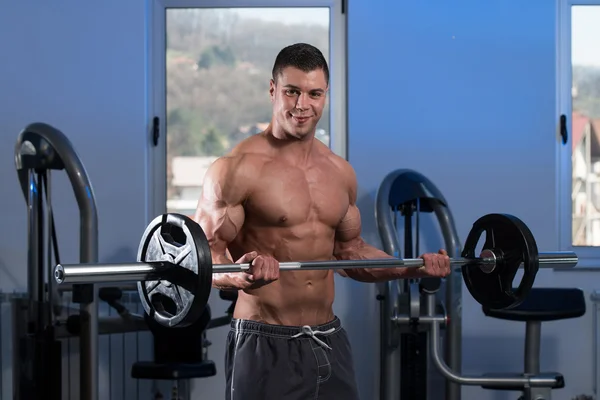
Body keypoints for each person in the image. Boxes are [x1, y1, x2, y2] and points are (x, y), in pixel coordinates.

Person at [194, 43, 451, 400]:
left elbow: (350, 254)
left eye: (314, 94)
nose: (302, 105)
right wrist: (242, 275)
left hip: (328, 339)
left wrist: (412, 269)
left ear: (325, 95)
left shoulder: (339, 173)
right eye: (292, 92)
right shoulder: (236, 170)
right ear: (273, 90)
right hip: (263, 338)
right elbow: (204, 256)